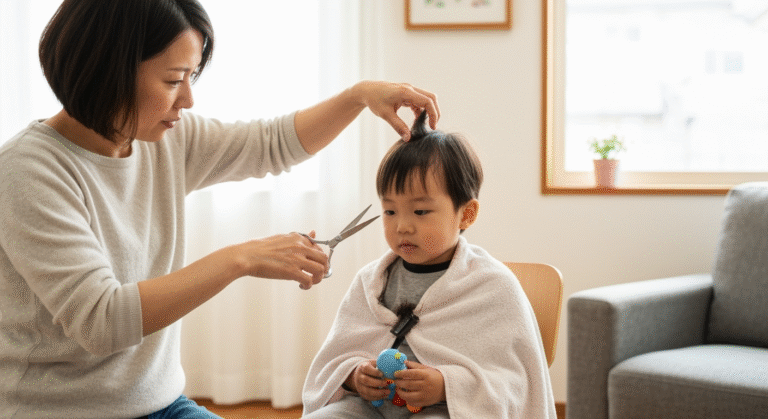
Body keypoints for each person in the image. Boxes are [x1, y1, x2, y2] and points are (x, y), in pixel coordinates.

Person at [0, 1, 439, 418]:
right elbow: (103, 321)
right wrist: (241, 259)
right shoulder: (27, 171)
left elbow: (272, 144)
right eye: (173, 80)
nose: (187, 99)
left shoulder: (162, 139)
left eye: (191, 77)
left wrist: (359, 97)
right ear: (107, 71)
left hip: (159, 404)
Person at [302, 112, 557, 418]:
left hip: (446, 410)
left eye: (420, 211)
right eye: (390, 211)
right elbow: (336, 357)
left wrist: (446, 385)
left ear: (466, 214)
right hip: (368, 408)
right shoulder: (370, 282)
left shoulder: (493, 285)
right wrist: (354, 376)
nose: (402, 227)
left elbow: (514, 383)